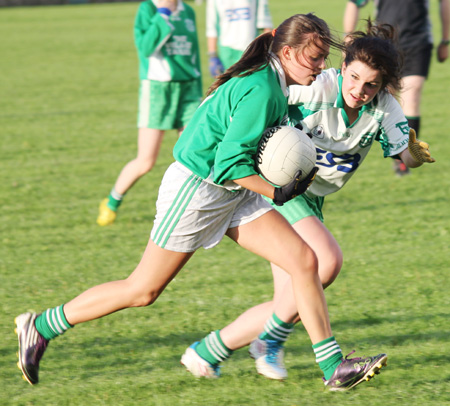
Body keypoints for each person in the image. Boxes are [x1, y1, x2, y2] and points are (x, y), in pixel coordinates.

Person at [15, 14, 384, 392]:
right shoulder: (263, 89)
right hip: (198, 191)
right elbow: (229, 164)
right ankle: (40, 326)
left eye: (324, 59)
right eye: (316, 58)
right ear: (287, 52)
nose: (322, 67)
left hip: (232, 192)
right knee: (143, 290)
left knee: (305, 261)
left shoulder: (274, 83)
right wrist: (277, 192)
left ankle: (333, 367)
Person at [182, 20, 435, 386]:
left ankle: (210, 350)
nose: (359, 90)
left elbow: (405, 157)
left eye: (371, 85)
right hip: (278, 191)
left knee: (291, 297)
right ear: (342, 67)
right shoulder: (317, 86)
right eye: (353, 77)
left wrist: (413, 152)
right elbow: (261, 94)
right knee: (326, 262)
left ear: (383, 87)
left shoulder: (386, 108)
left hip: (313, 202)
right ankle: (288, 349)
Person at [96, 0, 203, 226]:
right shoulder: (148, 9)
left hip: (189, 90)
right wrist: (163, 13)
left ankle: (199, 209)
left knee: (196, 154)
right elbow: (145, 47)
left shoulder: (188, 11)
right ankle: (111, 202)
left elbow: (193, 56)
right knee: (146, 161)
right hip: (158, 91)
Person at [343, 0, 449, 176]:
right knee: (385, 99)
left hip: (418, 41)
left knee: (412, 93)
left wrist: (446, 40)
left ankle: (406, 156)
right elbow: (354, 3)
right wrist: (348, 38)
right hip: (383, 44)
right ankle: (348, 146)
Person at [206, 0, 273, 77]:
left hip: (250, 48)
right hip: (226, 51)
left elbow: (265, 23)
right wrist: (212, 55)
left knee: (249, 83)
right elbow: (212, 27)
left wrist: (269, 49)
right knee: (230, 85)